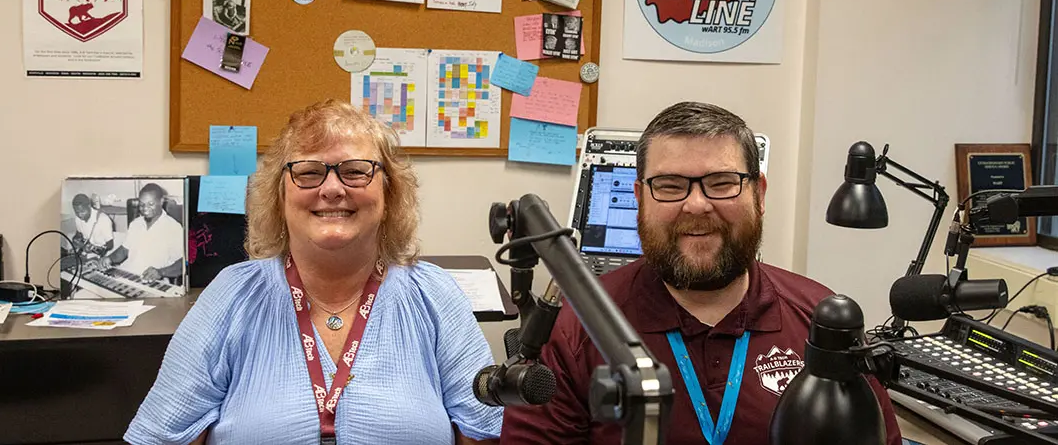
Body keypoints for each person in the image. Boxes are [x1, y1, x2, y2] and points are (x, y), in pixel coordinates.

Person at [500, 102, 902, 444]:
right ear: (640, 198)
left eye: (721, 183)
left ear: (759, 194)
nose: (696, 205)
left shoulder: (818, 318)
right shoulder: (576, 329)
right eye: (671, 186)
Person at [125, 99, 502, 445]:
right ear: (280, 195)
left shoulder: (434, 294)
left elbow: (483, 433)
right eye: (308, 173)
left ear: (390, 194)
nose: (333, 188)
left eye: (356, 171)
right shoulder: (231, 295)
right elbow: (164, 437)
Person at [102, 183, 185, 284]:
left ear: (161, 201)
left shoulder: (174, 228)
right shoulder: (135, 223)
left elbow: (183, 263)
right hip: (125, 274)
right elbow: (124, 250)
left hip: (151, 281)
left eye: (150, 204)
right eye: (142, 204)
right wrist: (109, 258)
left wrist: (160, 272)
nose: (145, 208)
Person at [70, 193, 114, 258]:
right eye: (77, 212)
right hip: (86, 255)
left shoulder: (103, 219)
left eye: (82, 211)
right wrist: (76, 239)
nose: (80, 215)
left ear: (89, 206)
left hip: (103, 256)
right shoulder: (78, 219)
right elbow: (79, 234)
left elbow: (110, 244)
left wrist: (94, 249)